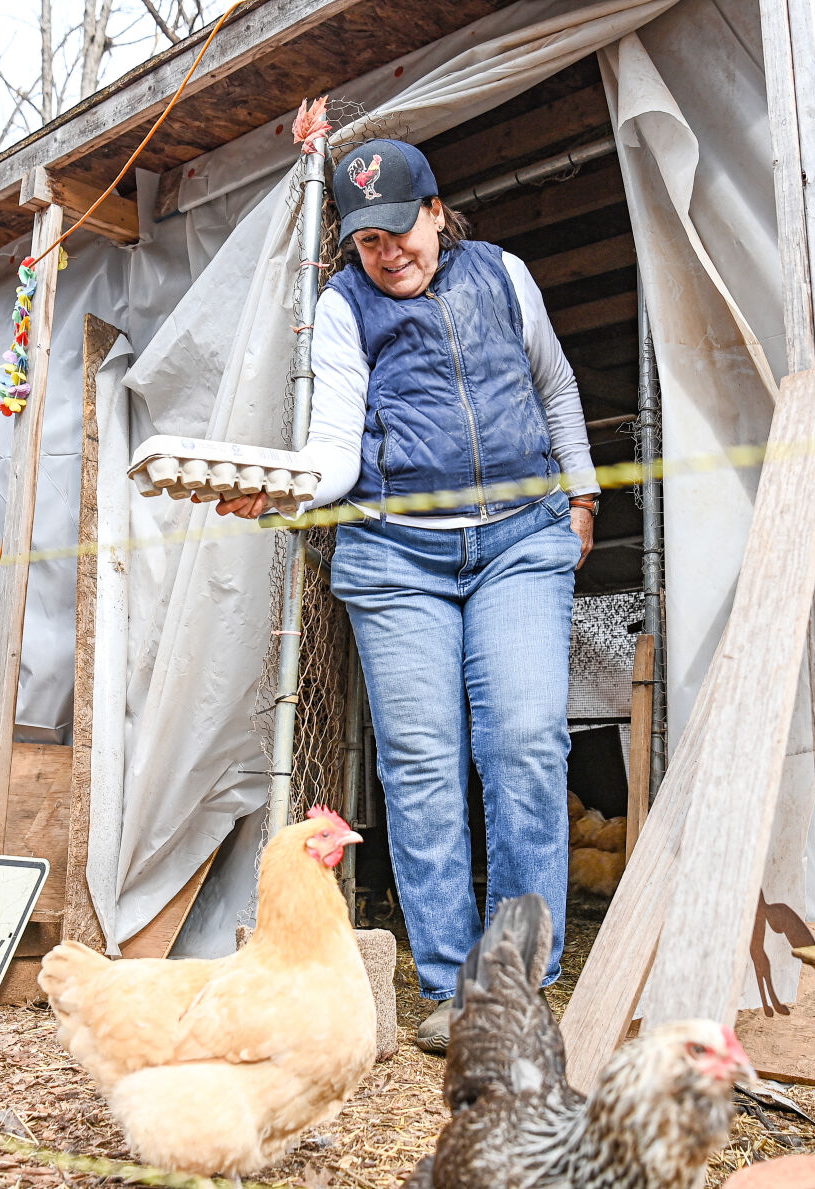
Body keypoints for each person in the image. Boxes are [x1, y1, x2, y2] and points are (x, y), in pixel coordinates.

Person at [216, 138, 600, 1053]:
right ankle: (447, 985)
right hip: (396, 558)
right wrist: (285, 489)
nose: (387, 253)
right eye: (366, 242)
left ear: (436, 212)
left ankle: (514, 982)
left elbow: (555, 384)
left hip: (518, 540)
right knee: (422, 767)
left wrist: (581, 496)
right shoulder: (344, 310)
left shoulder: (503, 277)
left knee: (526, 742)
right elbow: (337, 445)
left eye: (400, 230)